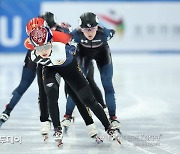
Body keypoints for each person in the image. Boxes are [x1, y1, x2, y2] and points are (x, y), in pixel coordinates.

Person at [27, 25, 120, 145]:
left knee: (88, 100)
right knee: (51, 93)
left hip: (69, 68)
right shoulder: (34, 56)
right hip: (51, 69)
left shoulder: (63, 49)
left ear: (51, 41)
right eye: (39, 48)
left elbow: (75, 49)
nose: (43, 52)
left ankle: (108, 127)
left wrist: (73, 49)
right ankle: (57, 128)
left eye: (45, 46)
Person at [62, 12, 120, 132]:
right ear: (80, 29)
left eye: (92, 29)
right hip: (83, 55)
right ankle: (68, 115)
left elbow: (112, 31)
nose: (89, 32)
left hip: (102, 54)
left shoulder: (104, 34)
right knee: (76, 85)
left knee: (107, 83)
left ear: (97, 27)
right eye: (86, 29)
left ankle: (113, 117)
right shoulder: (76, 35)